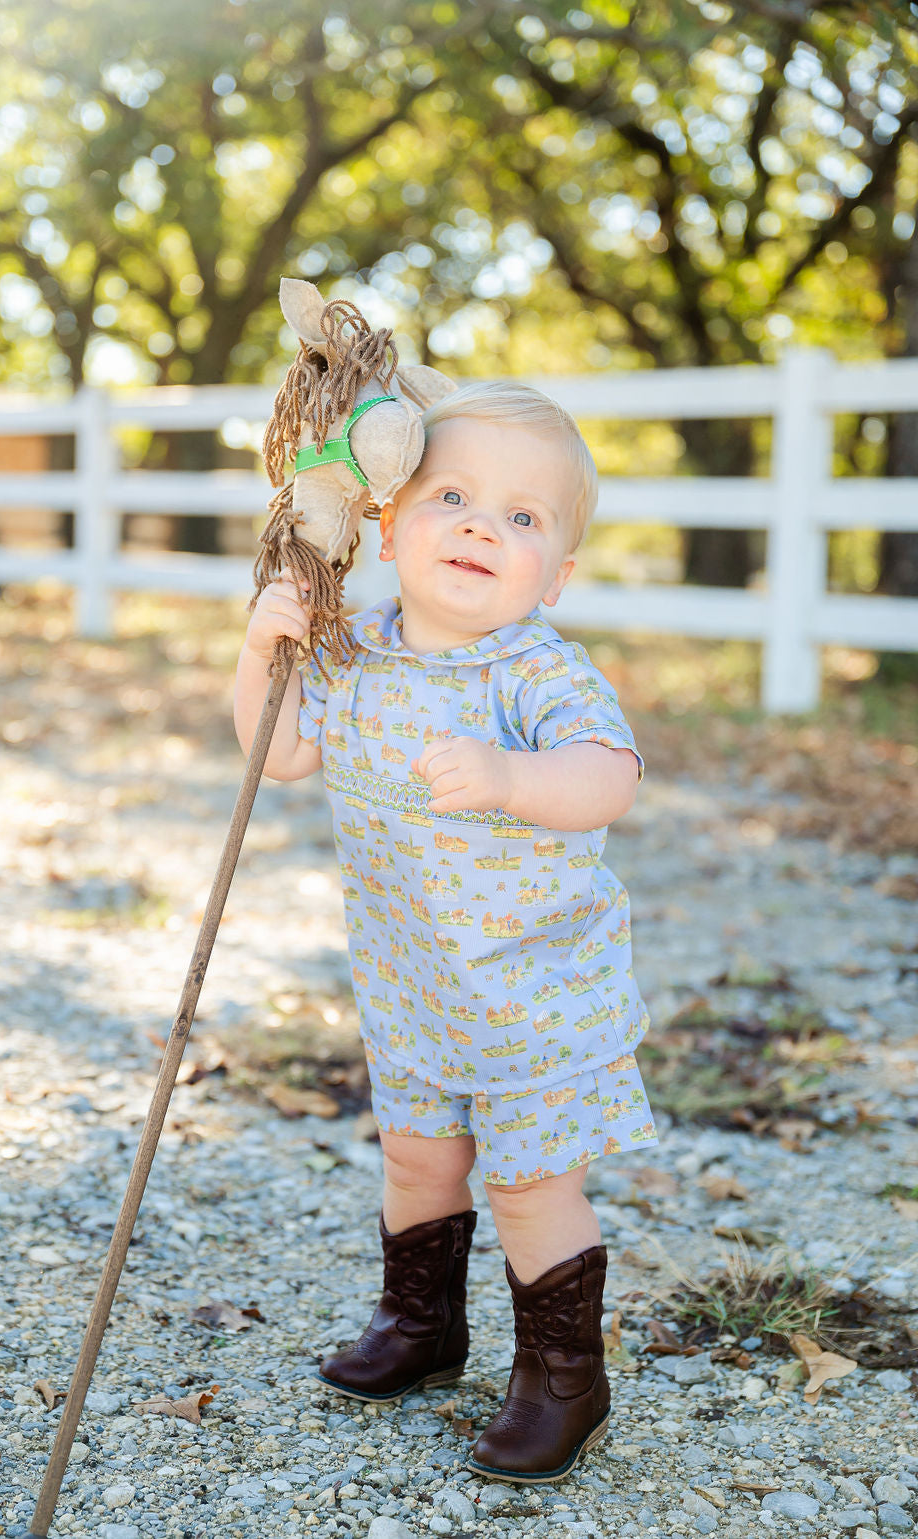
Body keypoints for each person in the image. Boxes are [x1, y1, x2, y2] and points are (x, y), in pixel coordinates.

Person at [233, 380, 659, 1485]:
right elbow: (277, 756)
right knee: (418, 1159)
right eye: (453, 496)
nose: (481, 525)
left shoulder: (537, 672)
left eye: (523, 518)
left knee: (525, 1183)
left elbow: (608, 779)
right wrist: (260, 651)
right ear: (388, 521)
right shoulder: (354, 648)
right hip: (412, 983)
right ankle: (420, 1325)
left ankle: (561, 1378)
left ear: (557, 574)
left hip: (535, 991)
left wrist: (517, 776)